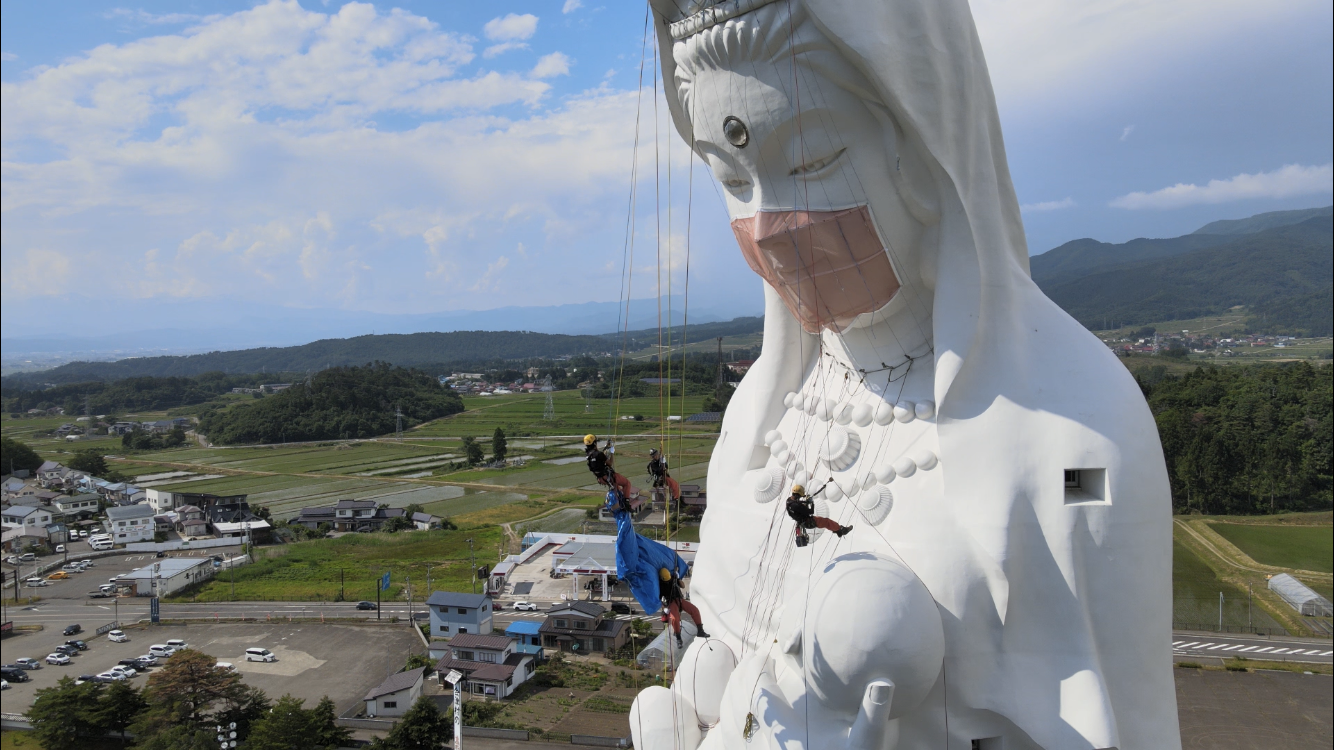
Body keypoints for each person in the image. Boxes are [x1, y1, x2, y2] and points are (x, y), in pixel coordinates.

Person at [785, 484, 852, 547]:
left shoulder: (789, 501)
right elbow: (811, 511)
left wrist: (805, 502)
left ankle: (837, 529)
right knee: (826, 522)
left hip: (802, 521)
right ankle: (840, 530)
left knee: (825, 521)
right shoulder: (797, 505)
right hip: (808, 522)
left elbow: (797, 504)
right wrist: (812, 503)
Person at [659, 567, 708, 648]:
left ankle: (700, 631)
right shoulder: (660, 586)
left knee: (695, 610)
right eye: (666, 580)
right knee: (675, 618)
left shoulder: (673, 579)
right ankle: (678, 638)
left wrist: (678, 578)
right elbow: (660, 598)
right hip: (670, 602)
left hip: (679, 600)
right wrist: (664, 608)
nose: (668, 581)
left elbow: (683, 585)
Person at [585, 434, 638, 508]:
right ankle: (626, 503)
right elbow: (609, 463)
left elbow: (598, 457)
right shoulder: (599, 454)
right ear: (594, 443)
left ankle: (620, 502)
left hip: (601, 479)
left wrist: (606, 447)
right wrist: (612, 452)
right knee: (627, 483)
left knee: (618, 490)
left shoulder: (588, 456)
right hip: (609, 477)